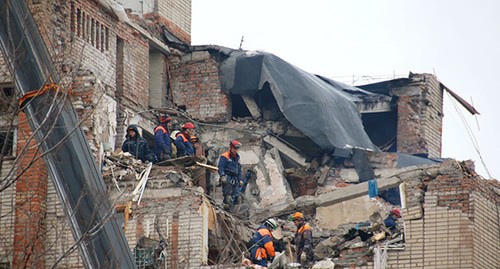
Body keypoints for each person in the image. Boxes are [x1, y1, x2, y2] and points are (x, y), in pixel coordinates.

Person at [218, 140, 242, 206]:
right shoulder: (225, 156)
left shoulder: (237, 157)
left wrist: (240, 179)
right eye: (234, 149)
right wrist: (222, 175)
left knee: (238, 197)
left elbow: (239, 169)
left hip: (235, 178)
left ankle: (236, 212)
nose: (235, 150)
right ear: (231, 148)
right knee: (228, 197)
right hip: (227, 177)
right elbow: (220, 167)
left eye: (237, 149)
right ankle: (227, 210)